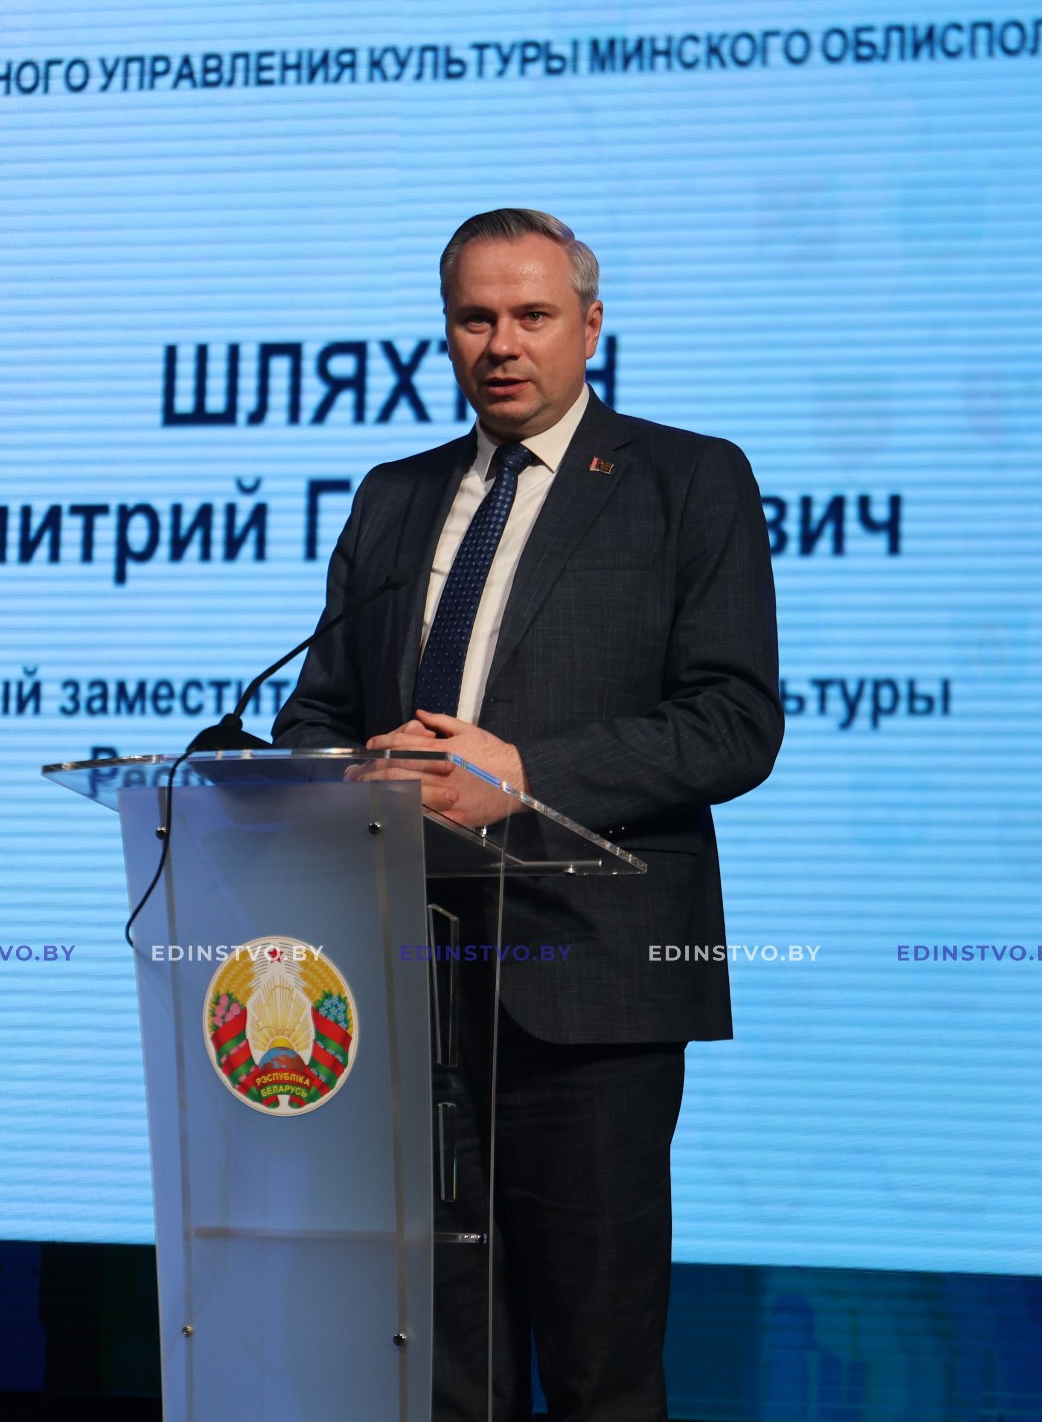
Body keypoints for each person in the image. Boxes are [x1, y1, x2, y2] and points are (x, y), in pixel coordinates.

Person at [275, 208, 783, 1421]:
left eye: (532, 314)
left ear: (590, 326)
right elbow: (317, 709)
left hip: (589, 988)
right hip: (405, 989)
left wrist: (527, 772)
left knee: (600, 1371)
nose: (501, 343)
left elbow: (734, 721)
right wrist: (345, 768)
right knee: (443, 1371)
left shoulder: (684, 478)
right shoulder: (394, 496)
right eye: (474, 317)